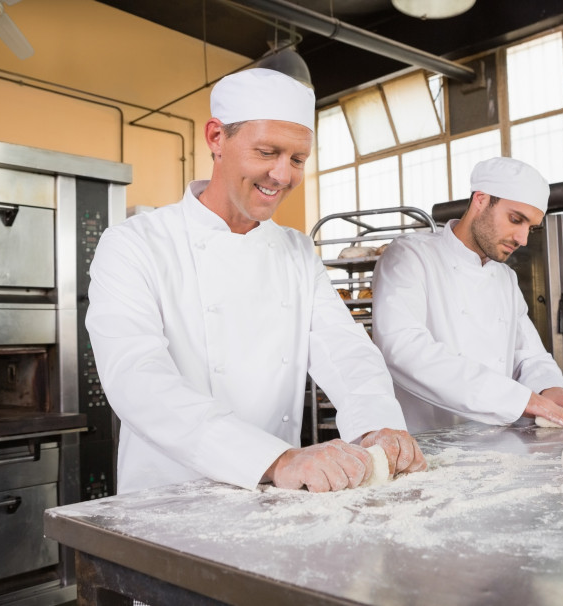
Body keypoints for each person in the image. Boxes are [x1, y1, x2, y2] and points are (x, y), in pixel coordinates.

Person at [86, 68, 426, 495]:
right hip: (170, 497)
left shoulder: (297, 251)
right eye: (267, 152)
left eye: (298, 160)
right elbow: (137, 379)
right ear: (216, 138)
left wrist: (377, 425)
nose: (283, 176)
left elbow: (345, 349)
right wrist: (275, 458)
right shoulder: (134, 243)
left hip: (273, 497)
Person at [372, 157, 563, 433]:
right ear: (480, 199)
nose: (523, 239)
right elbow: (403, 349)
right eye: (516, 219)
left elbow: (529, 355)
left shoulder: (505, 277)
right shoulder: (411, 256)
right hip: (425, 443)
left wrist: (551, 388)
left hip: (495, 444)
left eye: (531, 228)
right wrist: (520, 400)